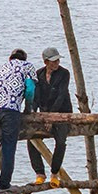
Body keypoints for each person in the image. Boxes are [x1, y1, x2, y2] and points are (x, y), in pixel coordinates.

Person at [0, 49, 36, 191]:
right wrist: (28, 107)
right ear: (24, 58)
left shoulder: (0, 68)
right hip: (11, 110)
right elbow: (30, 90)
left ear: (10, 58)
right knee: (8, 146)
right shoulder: (28, 66)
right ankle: (4, 184)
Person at [27, 47, 73, 185]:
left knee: (60, 141)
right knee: (31, 139)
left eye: (58, 60)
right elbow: (36, 96)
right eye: (54, 61)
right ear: (46, 62)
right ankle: (39, 173)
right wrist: (32, 112)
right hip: (44, 113)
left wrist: (52, 117)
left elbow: (61, 95)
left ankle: (55, 172)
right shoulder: (39, 74)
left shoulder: (64, 73)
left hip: (62, 112)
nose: (57, 63)